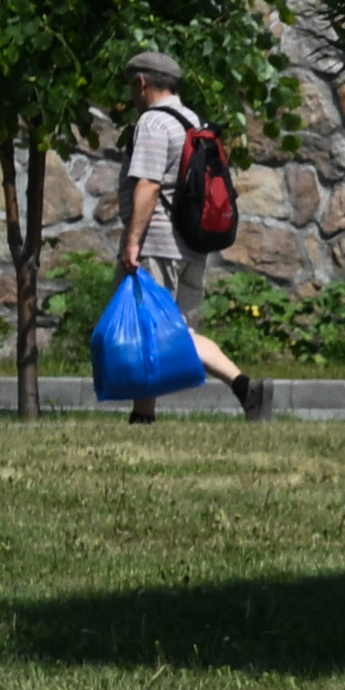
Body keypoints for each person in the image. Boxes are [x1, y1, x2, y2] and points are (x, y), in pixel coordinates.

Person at [103, 48, 263, 418]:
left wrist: (132, 242)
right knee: (169, 331)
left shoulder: (154, 122)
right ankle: (144, 415)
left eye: (132, 87)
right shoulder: (194, 121)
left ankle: (243, 385)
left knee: (151, 329)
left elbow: (149, 184)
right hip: (192, 243)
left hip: (157, 241)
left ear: (141, 83)